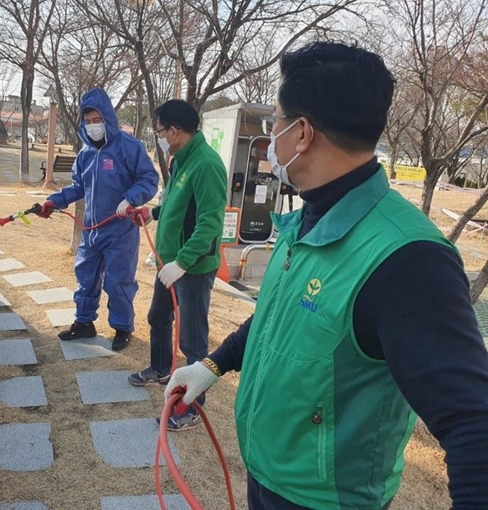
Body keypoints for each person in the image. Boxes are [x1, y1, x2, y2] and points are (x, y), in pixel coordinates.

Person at [164, 41, 488, 509]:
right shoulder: (307, 219)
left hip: (323, 500)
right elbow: (279, 315)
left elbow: (473, 424)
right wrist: (212, 365)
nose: (270, 136)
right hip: (268, 475)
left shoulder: (408, 260)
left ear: (301, 133)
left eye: (274, 121)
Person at [128, 99, 227, 431]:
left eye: (159, 131)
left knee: (193, 341)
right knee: (158, 316)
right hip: (168, 261)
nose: (159, 137)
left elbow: (209, 224)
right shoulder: (181, 159)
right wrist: (151, 213)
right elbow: (175, 203)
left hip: (192, 268)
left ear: (174, 131)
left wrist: (183, 263)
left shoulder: (206, 165)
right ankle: (159, 368)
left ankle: (192, 407)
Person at [37, 87, 158, 351]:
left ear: (108, 118)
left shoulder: (130, 147)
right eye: (88, 122)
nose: (93, 126)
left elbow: (149, 179)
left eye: (97, 120)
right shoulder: (85, 154)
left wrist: (131, 198)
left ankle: (122, 328)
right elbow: (77, 187)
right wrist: (54, 201)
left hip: (120, 232)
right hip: (91, 231)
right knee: (86, 278)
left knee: (118, 283)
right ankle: (84, 323)